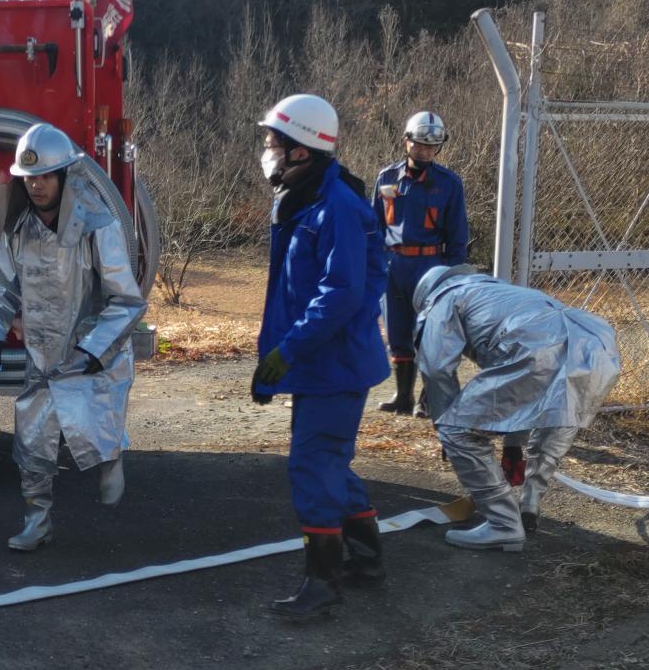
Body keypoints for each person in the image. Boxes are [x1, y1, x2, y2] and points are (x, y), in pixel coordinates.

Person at [250, 94, 391, 621]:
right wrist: (276, 359)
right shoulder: (302, 198)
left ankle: (323, 582)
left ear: (303, 151)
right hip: (319, 362)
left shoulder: (338, 209)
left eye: (274, 144)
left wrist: (286, 353)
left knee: (314, 466)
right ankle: (368, 560)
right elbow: (288, 292)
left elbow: (341, 294)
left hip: (336, 365)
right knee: (331, 462)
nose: (268, 153)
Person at [0, 123, 146, 552]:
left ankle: (110, 459)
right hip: (43, 352)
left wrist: (94, 348)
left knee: (95, 422)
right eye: (30, 177)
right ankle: (37, 521)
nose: (37, 185)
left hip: (92, 351)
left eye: (46, 176)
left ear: (66, 175)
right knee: (32, 440)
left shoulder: (96, 226)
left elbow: (125, 300)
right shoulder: (17, 230)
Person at [412, 264, 620, 551]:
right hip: (595, 343)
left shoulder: (443, 300)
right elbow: (522, 393)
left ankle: (502, 524)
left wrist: (446, 420)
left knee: (455, 430)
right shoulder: (498, 291)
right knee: (560, 415)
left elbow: (436, 370)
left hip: (537, 349)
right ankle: (529, 504)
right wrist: (512, 446)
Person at [373, 111, 468, 416]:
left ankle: (430, 399)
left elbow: (457, 235)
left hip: (431, 267)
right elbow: (375, 226)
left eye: (432, 146)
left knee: (430, 333)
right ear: (406, 141)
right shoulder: (387, 178)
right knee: (397, 331)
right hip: (393, 264)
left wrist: (452, 276)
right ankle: (403, 397)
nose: (425, 151)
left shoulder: (449, 184)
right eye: (420, 145)